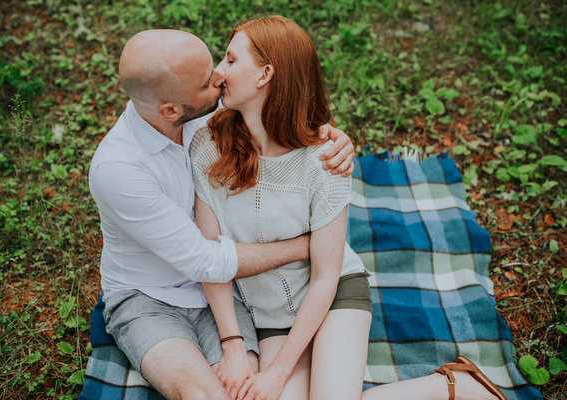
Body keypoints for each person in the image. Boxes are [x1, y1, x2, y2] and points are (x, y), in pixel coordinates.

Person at [190, 16, 509, 400]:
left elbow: (326, 278)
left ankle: (453, 384)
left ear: (265, 75)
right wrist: (233, 343)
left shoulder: (325, 161)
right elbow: (210, 259)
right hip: (269, 315)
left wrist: (276, 372)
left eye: (230, 60)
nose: (218, 72)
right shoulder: (207, 146)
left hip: (335, 294)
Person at [88, 28, 356, 400]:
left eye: (222, 61)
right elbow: (206, 259)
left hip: (227, 293)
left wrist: (335, 137)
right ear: (171, 110)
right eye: (206, 82)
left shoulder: (209, 114)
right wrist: (306, 246)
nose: (220, 77)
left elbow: (283, 127)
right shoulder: (118, 169)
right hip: (149, 298)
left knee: (247, 392)